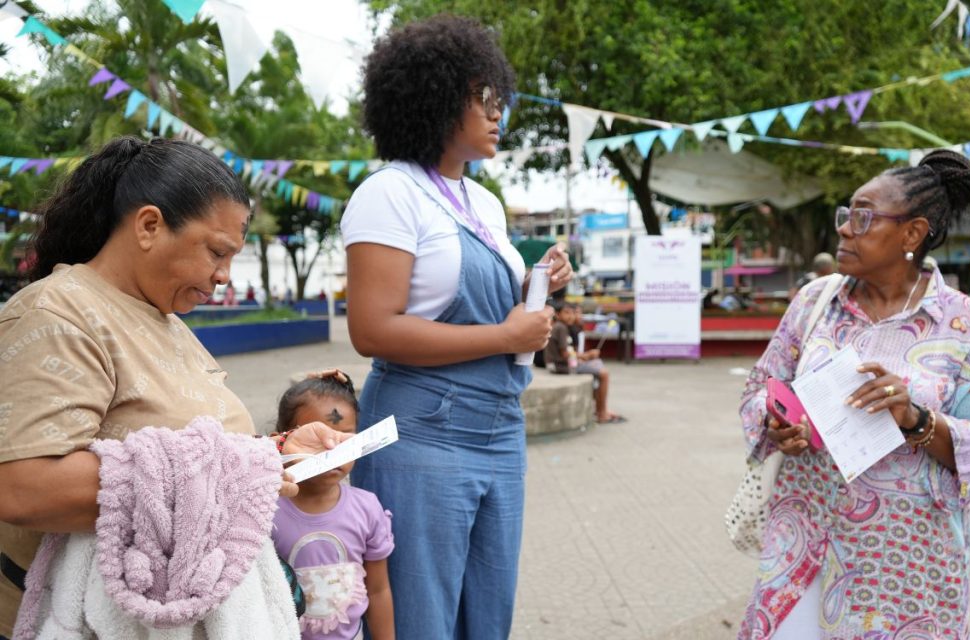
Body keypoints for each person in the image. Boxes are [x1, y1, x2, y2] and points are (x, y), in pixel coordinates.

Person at [0, 137, 340, 639]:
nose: (225, 276)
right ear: (149, 225)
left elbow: (200, 451)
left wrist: (276, 453)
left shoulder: (165, 319)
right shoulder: (59, 314)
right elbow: (23, 488)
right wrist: (232, 469)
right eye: (217, 252)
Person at [341, 15, 572, 638]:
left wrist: (537, 286)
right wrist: (505, 337)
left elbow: (478, 302)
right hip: (422, 432)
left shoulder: (485, 202)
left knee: (486, 614)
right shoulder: (388, 194)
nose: (498, 113)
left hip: (500, 429)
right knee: (421, 617)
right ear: (437, 100)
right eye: (483, 98)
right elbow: (373, 330)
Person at [737, 150, 970, 638]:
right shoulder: (815, 302)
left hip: (904, 572)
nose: (845, 228)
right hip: (804, 547)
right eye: (847, 215)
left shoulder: (966, 324)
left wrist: (916, 419)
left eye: (863, 217)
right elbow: (762, 387)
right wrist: (779, 423)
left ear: (911, 233)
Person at [272, 370, 394, 640]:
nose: (332, 450)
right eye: (319, 438)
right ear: (283, 440)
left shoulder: (367, 509)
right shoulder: (265, 510)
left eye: (344, 438)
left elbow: (378, 590)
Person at [545, 302, 624, 424]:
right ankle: (602, 413)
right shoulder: (560, 327)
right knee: (604, 374)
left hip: (563, 364)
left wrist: (584, 358)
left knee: (596, 365)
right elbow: (566, 355)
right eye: (567, 313)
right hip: (561, 366)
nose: (571, 316)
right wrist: (587, 356)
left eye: (572, 313)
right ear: (558, 314)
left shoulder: (565, 327)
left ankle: (600, 409)